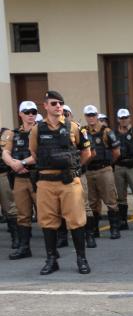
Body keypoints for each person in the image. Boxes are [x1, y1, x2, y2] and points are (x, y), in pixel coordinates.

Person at [29, 90, 93, 274]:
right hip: (46, 183)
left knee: (76, 220)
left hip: (69, 182)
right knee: (47, 221)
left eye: (61, 103)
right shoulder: (37, 130)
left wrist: (75, 169)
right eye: (54, 103)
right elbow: (34, 153)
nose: (58, 106)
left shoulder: (74, 127)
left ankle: (81, 259)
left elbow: (86, 153)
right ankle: (51, 259)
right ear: (46, 106)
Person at [3, 101, 39, 259]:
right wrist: (14, 164)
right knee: (22, 214)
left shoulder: (42, 130)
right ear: (20, 114)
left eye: (33, 111)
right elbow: (5, 152)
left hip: (37, 177)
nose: (31, 114)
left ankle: (53, 249)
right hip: (19, 178)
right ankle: (25, 248)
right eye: (27, 111)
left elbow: (41, 154)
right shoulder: (13, 133)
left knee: (45, 214)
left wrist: (22, 163)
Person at [81, 104, 122, 240]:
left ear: (97, 115)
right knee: (92, 202)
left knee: (110, 199)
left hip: (104, 169)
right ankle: (94, 230)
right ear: (85, 117)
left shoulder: (106, 131)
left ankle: (114, 229)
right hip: (89, 171)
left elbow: (116, 152)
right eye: (88, 115)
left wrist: (109, 164)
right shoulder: (83, 132)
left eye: (93, 115)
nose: (91, 118)